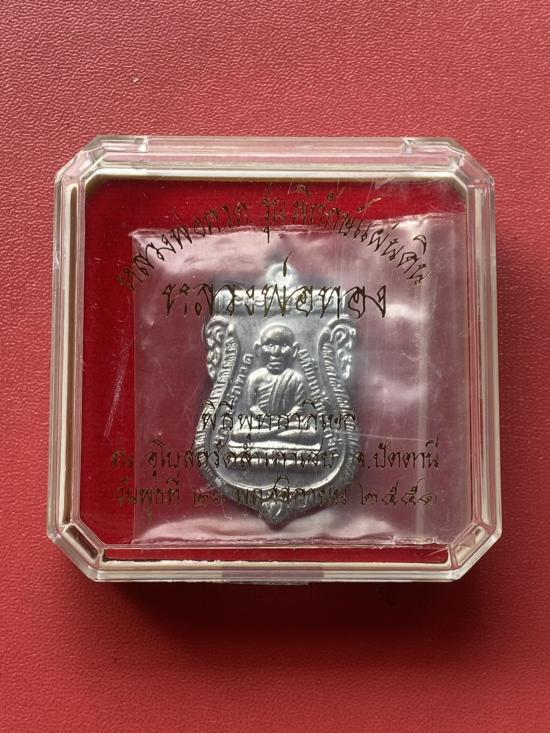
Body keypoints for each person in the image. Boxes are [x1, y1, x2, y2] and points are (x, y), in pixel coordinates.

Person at [230, 323, 320, 448]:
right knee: (237, 432)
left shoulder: (296, 378)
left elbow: (299, 408)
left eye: (284, 345)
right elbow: (252, 406)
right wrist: (266, 419)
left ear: (295, 350)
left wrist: (284, 420)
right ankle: (276, 434)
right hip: (261, 423)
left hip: (289, 422)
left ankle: (267, 435)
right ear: (258, 349)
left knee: (311, 433)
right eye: (270, 345)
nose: (276, 352)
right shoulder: (255, 377)